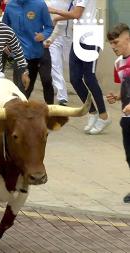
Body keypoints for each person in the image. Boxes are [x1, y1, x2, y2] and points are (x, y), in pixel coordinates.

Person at [49, 0, 111, 134]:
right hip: (77, 37)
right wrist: (57, 18)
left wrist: (54, 11)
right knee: (75, 79)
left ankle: (103, 116)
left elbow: (76, 14)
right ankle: (92, 112)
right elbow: (73, 13)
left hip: (90, 36)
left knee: (89, 77)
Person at [2, 0, 54, 101]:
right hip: (21, 55)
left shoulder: (40, 4)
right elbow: (4, 27)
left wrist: (43, 35)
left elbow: (49, 26)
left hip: (40, 52)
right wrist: (5, 44)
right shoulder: (10, 6)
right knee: (23, 90)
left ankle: (50, 112)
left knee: (47, 80)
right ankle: (20, 113)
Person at [105, 23, 130, 203]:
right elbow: (126, 87)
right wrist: (119, 97)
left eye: (116, 42)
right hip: (126, 118)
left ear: (128, 39)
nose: (113, 47)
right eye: (111, 44)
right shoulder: (118, 63)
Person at [44, 0, 73, 106]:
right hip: (54, 38)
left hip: (72, 37)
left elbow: (77, 15)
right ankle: (62, 97)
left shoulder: (74, 2)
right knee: (55, 66)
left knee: (71, 65)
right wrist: (49, 38)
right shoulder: (49, 3)